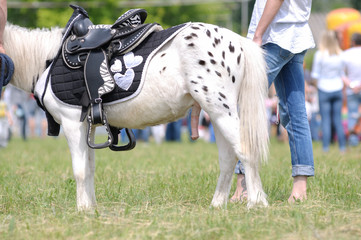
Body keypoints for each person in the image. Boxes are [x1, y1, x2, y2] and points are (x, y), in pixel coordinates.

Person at [231, 0, 315, 203]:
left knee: (244, 105)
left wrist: (258, 34)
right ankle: (300, 188)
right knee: (296, 114)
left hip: (275, 37)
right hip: (295, 36)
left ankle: (243, 186)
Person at [311, 30, 346, 153]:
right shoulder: (341, 54)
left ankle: (325, 147)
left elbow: (315, 74)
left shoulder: (320, 54)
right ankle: (342, 146)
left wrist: (315, 86)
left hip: (324, 88)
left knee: (325, 119)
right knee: (338, 119)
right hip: (337, 88)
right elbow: (342, 73)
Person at [341, 33, 361, 147]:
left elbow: (341, 73)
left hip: (350, 89)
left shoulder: (346, 54)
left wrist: (351, 85)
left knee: (352, 114)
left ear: (352, 42)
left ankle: (353, 141)